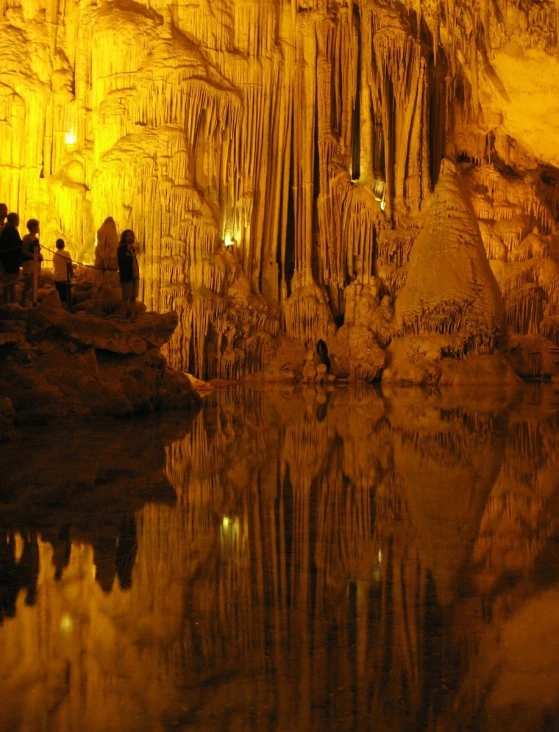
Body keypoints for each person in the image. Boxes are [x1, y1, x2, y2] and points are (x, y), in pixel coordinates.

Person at [0, 213, 23, 304]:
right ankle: (13, 301)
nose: (19, 222)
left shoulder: (5, 230)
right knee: (11, 282)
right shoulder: (12, 231)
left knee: (7, 281)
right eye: (18, 219)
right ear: (15, 220)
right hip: (11, 261)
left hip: (5, 259)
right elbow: (16, 245)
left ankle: (5, 300)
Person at [117, 229, 140, 320]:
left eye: (131, 235)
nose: (130, 237)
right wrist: (127, 250)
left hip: (134, 275)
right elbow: (121, 261)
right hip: (126, 276)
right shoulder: (121, 248)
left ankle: (132, 315)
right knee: (126, 297)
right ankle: (123, 315)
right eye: (128, 236)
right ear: (124, 237)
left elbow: (134, 261)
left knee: (133, 296)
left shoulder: (132, 249)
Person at [20, 219, 42, 306]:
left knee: (34, 285)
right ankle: (23, 301)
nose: (38, 228)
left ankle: (33, 302)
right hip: (29, 264)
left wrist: (39, 256)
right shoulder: (27, 238)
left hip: (35, 264)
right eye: (37, 226)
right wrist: (35, 256)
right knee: (28, 284)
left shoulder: (36, 239)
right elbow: (24, 251)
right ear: (32, 227)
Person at [53, 238, 73, 306]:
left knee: (60, 298)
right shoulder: (66, 254)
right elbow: (69, 265)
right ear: (64, 245)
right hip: (64, 278)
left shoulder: (55, 255)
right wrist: (72, 276)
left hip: (57, 279)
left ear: (56, 246)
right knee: (66, 298)